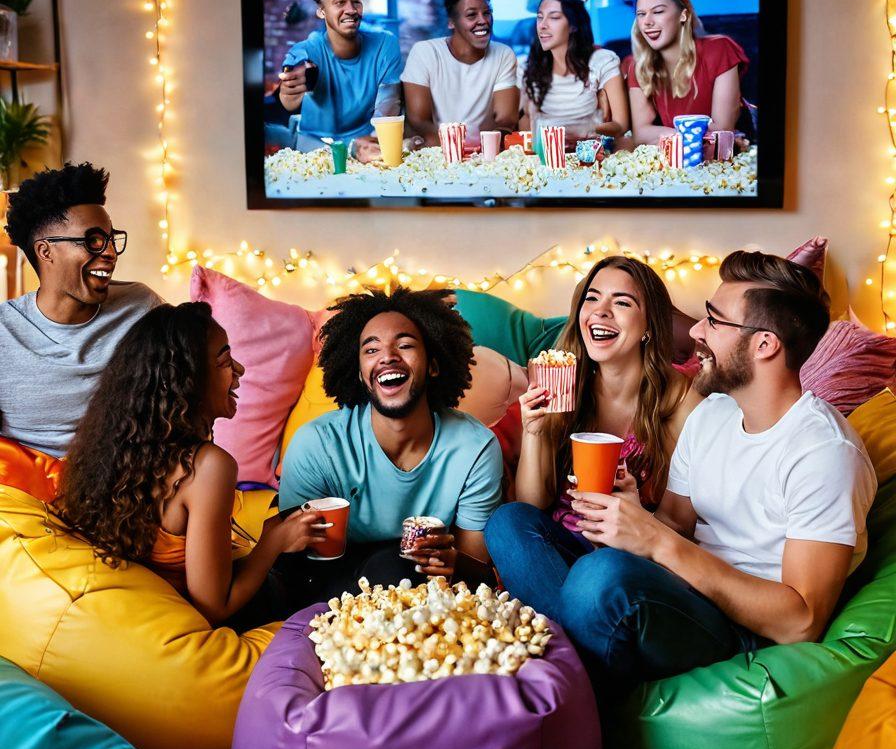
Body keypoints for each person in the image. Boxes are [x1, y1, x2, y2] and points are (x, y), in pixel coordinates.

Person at [492, 251, 876, 686]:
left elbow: (801, 622)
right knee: (511, 522)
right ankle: (576, 673)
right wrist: (630, 517)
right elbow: (673, 523)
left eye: (713, 320)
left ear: (765, 345)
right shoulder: (713, 414)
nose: (694, 331)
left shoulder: (823, 453)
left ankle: (564, 681)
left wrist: (655, 541)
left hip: (741, 626)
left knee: (599, 575)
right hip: (680, 592)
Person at [59, 302, 329, 627]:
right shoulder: (209, 467)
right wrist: (273, 544)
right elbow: (214, 606)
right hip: (219, 619)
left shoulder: (117, 449)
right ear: (185, 381)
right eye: (225, 362)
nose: (239, 370)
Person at [487, 255, 699, 596]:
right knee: (506, 521)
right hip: (562, 548)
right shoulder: (563, 382)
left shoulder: (679, 402)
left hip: (628, 559)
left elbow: (681, 528)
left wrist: (635, 513)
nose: (601, 312)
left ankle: (560, 620)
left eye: (622, 302)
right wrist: (534, 431)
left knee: (599, 569)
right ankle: (575, 613)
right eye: (592, 298)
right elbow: (533, 504)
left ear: (648, 325)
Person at [278, 287, 504, 603]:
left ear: (433, 365)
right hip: (332, 587)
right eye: (371, 350)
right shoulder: (317, 444)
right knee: (391, 566)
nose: (387, 356)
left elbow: (474, 567)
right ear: (360, 374)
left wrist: (452, 560)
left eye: (405, 345)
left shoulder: (475, 448)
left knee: (397, 566)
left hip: (424, 590)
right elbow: (294, 562)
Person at [0, 162, 161, 458]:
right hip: (24, 481)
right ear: (45, 251)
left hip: (121, 477)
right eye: (93, 241)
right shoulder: (3, 333)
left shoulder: (141, 308)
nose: (110, 253)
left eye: (110, 239)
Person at [276, 0, 403, 163]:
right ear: (322, 12)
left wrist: (373, 142)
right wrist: (291, 89)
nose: (351, 10)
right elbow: (290, 92)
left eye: (356, 1)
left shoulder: (385, 45)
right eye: (340, 3)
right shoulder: (308, 49)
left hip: (367, 149)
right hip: (315, 155)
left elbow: (388, 106)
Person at [625, 0, 749, 147]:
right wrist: (690, 136)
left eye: (658, 12)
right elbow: (641, 133)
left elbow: (722, 130)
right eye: (641, 14)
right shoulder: (638, 66)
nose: (647, 22)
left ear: (683, 15)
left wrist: (666, 137)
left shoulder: (719, 49)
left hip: (723, 160)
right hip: (676, 160)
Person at [402, 0, 519, 146]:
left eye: (487, 13)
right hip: (437, 151)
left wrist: (485, 150)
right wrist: (454, 150)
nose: (483, 20)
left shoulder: (503, 54)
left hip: (484, 153)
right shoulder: (425, 52)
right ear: (451, 23)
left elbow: (505, 119)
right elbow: (419, 120)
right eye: (471, 15)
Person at [520, 0, 629, 145]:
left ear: (573, 26)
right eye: (539, 17)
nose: (542, 25)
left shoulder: (602, 61)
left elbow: (621, 125)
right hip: (546, 153)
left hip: (590, 151)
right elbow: (526, 124)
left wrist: (585, 130)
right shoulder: (530, 67)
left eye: (554, 17)